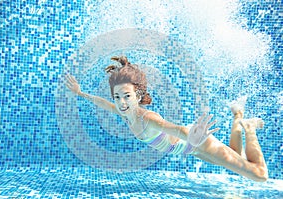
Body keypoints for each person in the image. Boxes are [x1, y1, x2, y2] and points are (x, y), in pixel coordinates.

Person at [65, 56, 268, 182]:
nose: (121, 102)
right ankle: (238, 115)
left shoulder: (147, 119)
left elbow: (177, 130)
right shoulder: (126, 113)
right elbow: (104, 104)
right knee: (235, 155)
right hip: (193, 148)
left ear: (138, 95)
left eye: (127, 96)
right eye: (117, 97)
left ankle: (248, 128)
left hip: (199, 143)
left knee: (259, 175)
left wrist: (194, 138)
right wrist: (81, 93)